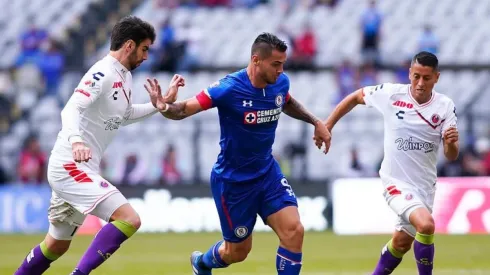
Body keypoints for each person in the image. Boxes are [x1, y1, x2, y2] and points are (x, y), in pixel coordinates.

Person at [145, 32, 331, 275]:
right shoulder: (228, 88)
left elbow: (285, 101)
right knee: (237, 253)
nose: (281, 70)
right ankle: (201, 263)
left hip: (267, 173)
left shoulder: (281, 82)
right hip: (234, 182)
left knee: (294, 230)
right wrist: (164, 106)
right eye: (275, 64)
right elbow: (182, 110)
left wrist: (316, 121)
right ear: (256, 60)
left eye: (283, 64)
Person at [14, 16, 181, 275]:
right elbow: (71, 107)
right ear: (129, 45)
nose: (147, 57)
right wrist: (76, 140)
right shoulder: (102, 72)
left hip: (79, 168)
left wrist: (157, 107)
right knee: (129, 219)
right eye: (144, 48)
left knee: (55, 246)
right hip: (70, 164)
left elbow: (122, 114)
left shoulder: (123, 75)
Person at [321, 51, 459, 275]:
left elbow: (451, 155)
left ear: (437, 78)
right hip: (395, 182)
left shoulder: (445, 106)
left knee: (402, 243)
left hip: (425, 187)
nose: (420, 83)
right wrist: (328, 125)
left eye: (426, 78)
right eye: (416, 76)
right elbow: (357, 96)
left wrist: (452, 143)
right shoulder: (392, 94)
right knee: (426, 225)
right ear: (409, 74)